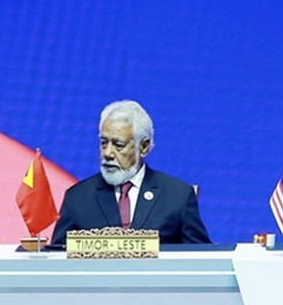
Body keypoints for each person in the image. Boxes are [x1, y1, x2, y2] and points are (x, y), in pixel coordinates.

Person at [52, 100, 209, 245]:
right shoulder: (78, 198)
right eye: (104, 143)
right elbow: (58, 257)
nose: (107, 153)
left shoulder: (177, 196)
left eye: (118, 145)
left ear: (144, 147)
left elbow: (201, 256)